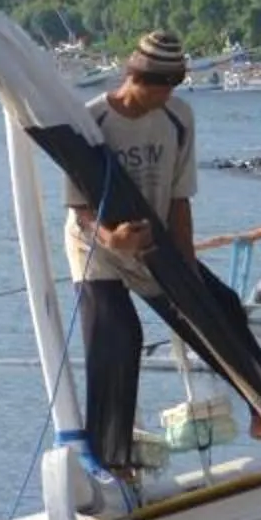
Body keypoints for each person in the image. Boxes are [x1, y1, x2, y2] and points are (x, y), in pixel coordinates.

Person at [66, 30, 204, 485]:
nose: (165, 97)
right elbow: (79, 209)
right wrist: (111, 237)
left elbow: (180, 201)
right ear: (135, 77)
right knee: (119, 334)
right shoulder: (92, 120)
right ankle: (111, 456)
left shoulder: (179, 117)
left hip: (151, 240)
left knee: (212, 313)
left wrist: (187, 273)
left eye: (172, 88)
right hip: (97, 244)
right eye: (159, 87)